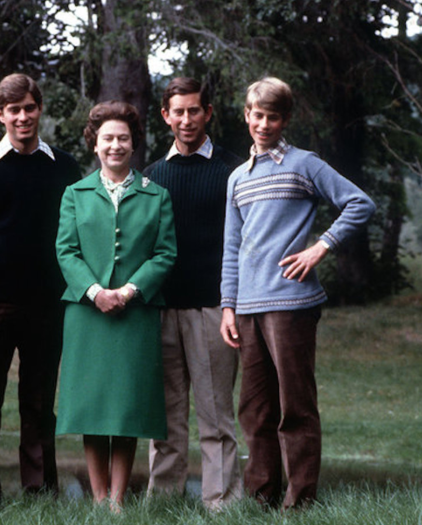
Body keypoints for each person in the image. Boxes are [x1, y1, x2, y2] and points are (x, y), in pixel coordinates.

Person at [219, 77, 376, 509]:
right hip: (247, 308)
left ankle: (300, 501)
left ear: (284, 119)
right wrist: (227, 306)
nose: (263, 124)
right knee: (255, 411)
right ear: (246, 116)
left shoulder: (304, 164)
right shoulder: (237, 178)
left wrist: (320, 247)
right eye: (257, 115)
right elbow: (232, 247)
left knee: (296, 408)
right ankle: (260, 498)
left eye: (273, 116)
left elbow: (359, 203)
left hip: (291, 304)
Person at [0, 73, 80, 496]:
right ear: (0, 114)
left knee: (40, 399)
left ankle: (40, 488)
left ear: (39, 109)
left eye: (29, 108)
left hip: (48, 301)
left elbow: (76, 229)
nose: (23, 117)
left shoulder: (63, 167)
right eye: (14, 110)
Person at [55, 100, 177, 511]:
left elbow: (164, 255)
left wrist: (127, 292)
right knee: (92, 408)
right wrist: (95, 292)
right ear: (94, 143)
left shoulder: (156, 195)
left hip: (135, 314)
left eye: (123, 138)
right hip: (87, 314)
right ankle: (99, 496)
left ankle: (118, 502)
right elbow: (66, 251)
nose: (115, 145)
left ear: (134, 143)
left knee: (126, 409)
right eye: (107, 138)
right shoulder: (75, 194)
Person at [144, 77, 244, 511]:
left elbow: (244, 243)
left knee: (216, 415)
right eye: (177, 112)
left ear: (208, 113)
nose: (186, 120)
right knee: (164, 418)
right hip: (161, 309)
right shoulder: (150, 176)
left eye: (194, 111)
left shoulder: (232, 171)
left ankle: (221, 504)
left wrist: (232, 304)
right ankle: (163, 503)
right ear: (165, 116)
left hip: (212, 309)